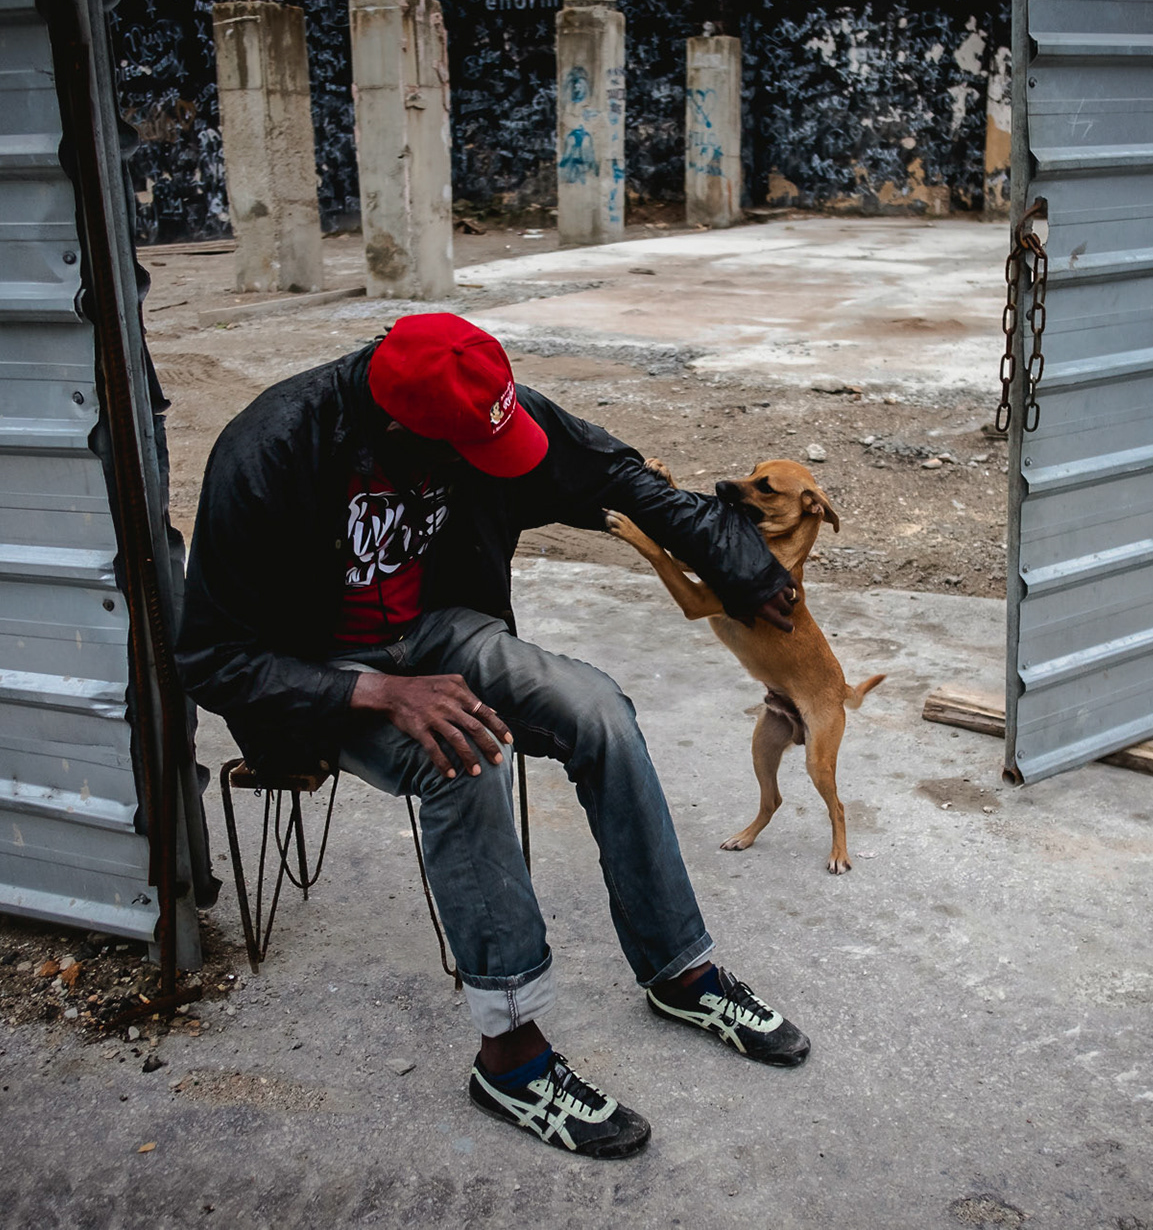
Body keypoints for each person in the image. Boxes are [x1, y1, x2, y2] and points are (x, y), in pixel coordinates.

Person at [177, 312, 810, 1159]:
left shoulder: (471, 403)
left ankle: (679, 971)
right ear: (400, 432)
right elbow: (212, 659)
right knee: (463, 757)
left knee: (599, 710)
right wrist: (380, 691)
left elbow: (616, 474)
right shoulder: (271, 449)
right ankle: (511, 1056)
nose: (488, 464)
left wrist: (742, 567)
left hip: (439, 628)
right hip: (320, 673)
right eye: (466, 456)